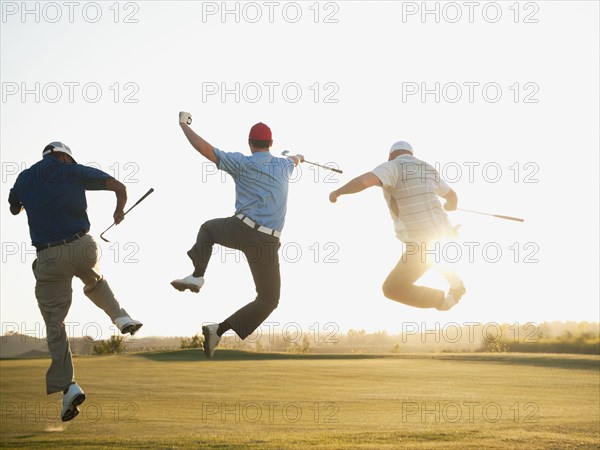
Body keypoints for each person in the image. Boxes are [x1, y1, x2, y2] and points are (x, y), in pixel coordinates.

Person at [8, 142, 143, 422]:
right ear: (65, 156)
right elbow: (120, 187)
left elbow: (13, 208)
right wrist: (118, 212)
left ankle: (68, 388)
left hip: (49, 255)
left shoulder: (24, 177)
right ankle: (121, 317)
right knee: (94, 281)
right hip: (83, 245)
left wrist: (28, 202)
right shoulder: (72, 170)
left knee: (55, 324)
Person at [172, 112, 302, 358]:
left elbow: (204, 149)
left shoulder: (242, 162)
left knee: (208, 229)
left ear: (250, 143)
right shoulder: (285, 166)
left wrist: (183, 125)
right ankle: (221, 330)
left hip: (242, 230)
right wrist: (298, 157)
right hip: (267, 241)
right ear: (271, 144)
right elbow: (295, 159)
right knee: (268, 300)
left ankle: (201, 284)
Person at [329, 141, 466, 311]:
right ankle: (454, 281)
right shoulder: (427, 168)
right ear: (411, 154)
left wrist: (337, 192)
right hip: (446, 235)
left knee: (392, 289)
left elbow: (365, 181)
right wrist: (450, 206)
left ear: (390, 155)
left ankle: (442, 300)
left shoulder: (392, 166)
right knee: (433, 254)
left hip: (420, 244)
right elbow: (452, 197)